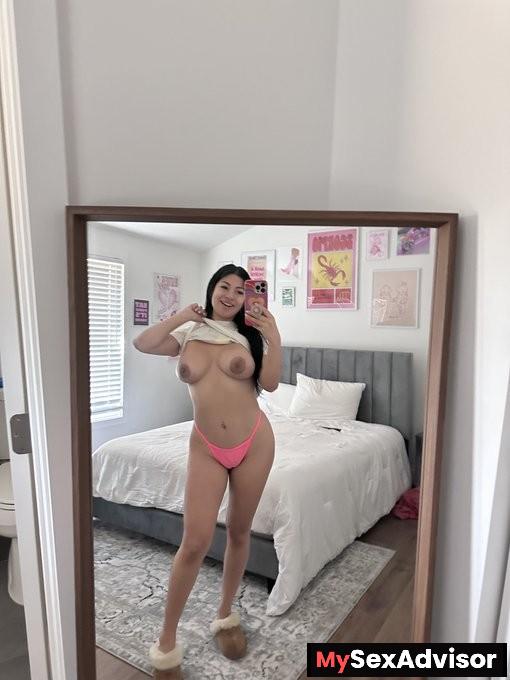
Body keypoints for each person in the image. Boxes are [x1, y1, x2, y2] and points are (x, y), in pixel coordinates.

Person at [133, 264, 282, 679]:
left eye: (240, 290)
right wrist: (182, 316)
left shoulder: (250, 336)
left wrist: (273, 336)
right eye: (224, 286)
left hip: (254, 442)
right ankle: (166, 644)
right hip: (206, 447)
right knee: (194, 542)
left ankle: (225, 615)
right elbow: (143, 342)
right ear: (212, 289)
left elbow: (271, 385)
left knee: (238, 531)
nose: (231, 295)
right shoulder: (188, 333)